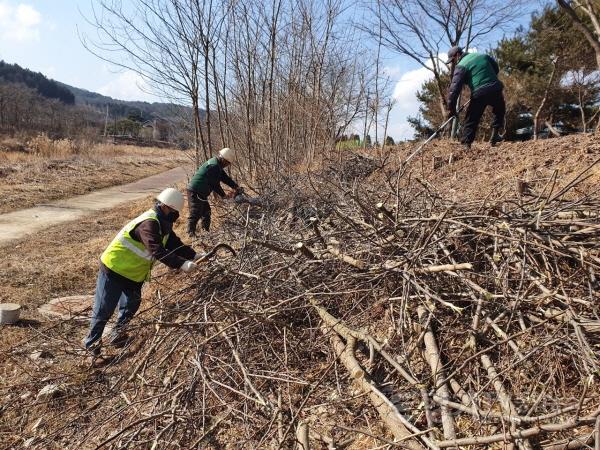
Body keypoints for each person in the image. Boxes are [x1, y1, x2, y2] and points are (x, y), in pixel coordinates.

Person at [84, 188, 202, 356]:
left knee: (131, 304)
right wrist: (181, 264)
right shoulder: (149, 223)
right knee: (104, 309)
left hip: (132, 274)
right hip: (114, 268)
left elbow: (174, 244)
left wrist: (194, 255)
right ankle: (92, 346)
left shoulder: (163, 224)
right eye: (175, 212)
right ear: (166, 207)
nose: (176, 216)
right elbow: (157, 250)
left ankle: (117, 334)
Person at [446, 46, 506, 149]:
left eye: (452, 60)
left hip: (480, 92)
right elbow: (496, 68)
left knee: (471, 118)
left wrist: (451, 109)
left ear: (456, 55)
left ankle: (466, 144)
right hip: (495, 87)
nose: (453, 63)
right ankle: (495, 135)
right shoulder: (482, 56)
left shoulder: (461, 65)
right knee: (500, 110)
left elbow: (454, 90)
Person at [186, 147, 241, 238]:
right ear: (223, 159)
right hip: (195, 190)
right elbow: (215, 184)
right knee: (195, 212)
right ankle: (190, 234)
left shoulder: (217, 164)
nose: (227, 165)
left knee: (206, 212)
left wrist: (235, 186)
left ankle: (205, 232)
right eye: (227, 163)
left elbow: (224, 178)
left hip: (201, 192)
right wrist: (224, 196)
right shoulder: (214, 166)